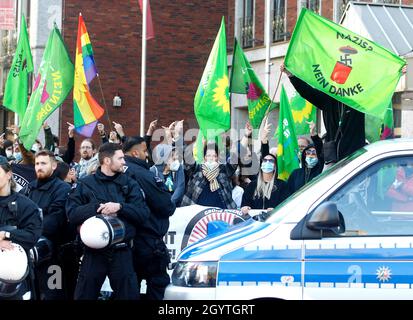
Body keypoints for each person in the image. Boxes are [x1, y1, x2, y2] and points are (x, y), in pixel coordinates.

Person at [66, 143, 150, 300]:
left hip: (122, 252)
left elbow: (143, 214)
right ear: (107, 161)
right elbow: (72, 214)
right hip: (93, 253)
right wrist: (96, 208)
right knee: (84, 295)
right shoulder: (86, 184)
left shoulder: (129, 183)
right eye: (120, 158)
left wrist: (120, 207)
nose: (124, 162)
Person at [123, 136, 175, 300]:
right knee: (158, 284)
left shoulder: (116, 173)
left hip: (125, 242)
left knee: (129, 287)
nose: (147, 155)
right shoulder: (143, 174)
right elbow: (166, 205)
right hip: (147, 240)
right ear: (136, 152)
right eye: (145, 151)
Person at [281, 63, 365, 163]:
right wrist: (291, 75)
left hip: (356, 158)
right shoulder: (327, 99)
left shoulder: (358, 101)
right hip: (334, 160)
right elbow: (307, 92)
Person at [21, 150, 71, 300]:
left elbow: (54, 221)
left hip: (54, 257)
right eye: (37, 164)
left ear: (54, 165)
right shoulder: (29, 188)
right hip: (29, 253)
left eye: (43, 163)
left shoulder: (63, 189)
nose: (39, 167)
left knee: (52, 295)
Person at [0, 156, 42, 300]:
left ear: (9, 174)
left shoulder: (26, 205)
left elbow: (32, 236)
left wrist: (7, 234)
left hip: (15, 276)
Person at [181, 142, 238, 209]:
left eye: (214, 156)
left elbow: (233, 162)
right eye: (208, 156)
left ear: (217, 158)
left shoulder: (223, 170)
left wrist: (236, 148)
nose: (211, 158)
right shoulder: (197, 169)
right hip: (199, 215)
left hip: (221, 215)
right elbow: (188, 158)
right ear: (204, 158)